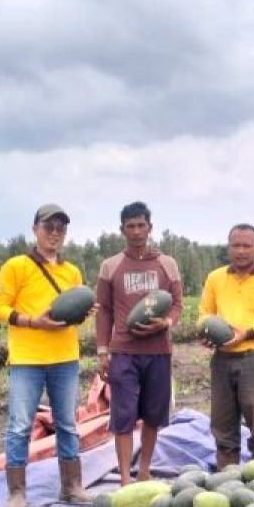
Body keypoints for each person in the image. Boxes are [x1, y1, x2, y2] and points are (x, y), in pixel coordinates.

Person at [0, 203, 94, 507]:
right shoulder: (17, 266)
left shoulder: (71, 272)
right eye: (49, 227)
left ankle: (72, 486)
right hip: (26, 360)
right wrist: (33, 321)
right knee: (20, 425)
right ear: (35, 230)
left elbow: (69, 317)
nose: (55, 234)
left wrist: (83, 315)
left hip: (65, 358)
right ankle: (17, 493)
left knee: (68, 424)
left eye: (61, 229)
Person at [95, 201, 184, 485]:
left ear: (150, 228)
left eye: (141, 225)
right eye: (130, 226)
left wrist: (166, 323)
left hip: (158, 351)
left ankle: (144, 469)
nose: (136, 231)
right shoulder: (111, 266)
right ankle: (124, 477)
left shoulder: (167, 264)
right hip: (123, 351)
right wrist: (102, 351)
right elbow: (104, 311)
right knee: (123, 416)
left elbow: (177, 305)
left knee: (153, 415)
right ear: (122, 230)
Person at [198, 223, 254, 470]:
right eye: (235, 245)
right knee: (222, 423)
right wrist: (206, 332)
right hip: (222, 358)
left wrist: (247, 333)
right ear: (229, 248)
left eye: (246, 246)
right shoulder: (216, 278)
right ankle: (227, 476)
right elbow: (204, 313)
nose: (240, 251)